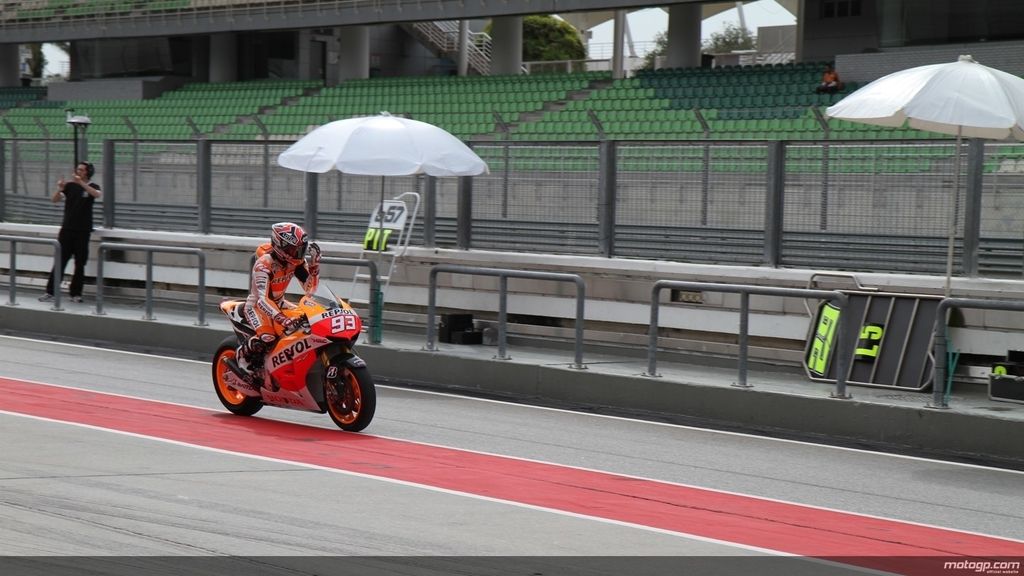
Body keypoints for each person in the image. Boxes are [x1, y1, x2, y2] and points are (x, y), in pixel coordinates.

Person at [235, 222, 322, 385]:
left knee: (307, 323)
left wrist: (315, 268)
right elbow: (262, 299)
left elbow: (311, 290)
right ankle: (243, 356)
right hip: (257, 306)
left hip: (279, 303)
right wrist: (283, 319)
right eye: (293, 250)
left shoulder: (295, 263)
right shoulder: (263, 264)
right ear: (280, 246)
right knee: (268, 338)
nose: (298, 254)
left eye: (300, 249)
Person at [39, 161, 101, 303]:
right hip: (67, 229)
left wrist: (82, 184)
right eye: (77, 169)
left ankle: (76, 293)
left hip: (83, 230)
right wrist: (60, 189)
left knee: (80, 263)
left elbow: (97, 195)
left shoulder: (93, 186)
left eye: (82, 170)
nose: (78, 172)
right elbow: (55, 200)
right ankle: (51, 291)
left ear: (88, 172)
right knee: (60, 260)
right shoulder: (70, 186)